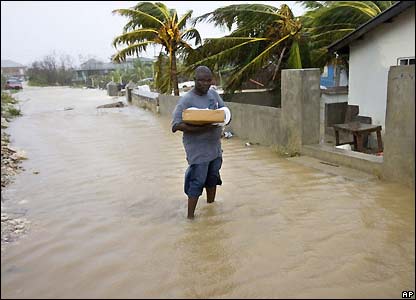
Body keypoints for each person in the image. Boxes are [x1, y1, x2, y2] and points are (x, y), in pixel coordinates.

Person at [171, 66, 227, 219]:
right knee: (197, 181)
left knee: (213, 178)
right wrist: (201, 127)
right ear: (195, 80)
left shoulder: (213, 94)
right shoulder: (186, 100)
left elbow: (224, 111)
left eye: (208, 80)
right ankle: (190, 218)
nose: (205, 84)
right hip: (198, 150)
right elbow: (176, 125)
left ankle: (211, 209)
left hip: (214, 148)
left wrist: (222, 120)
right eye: (201, 80)